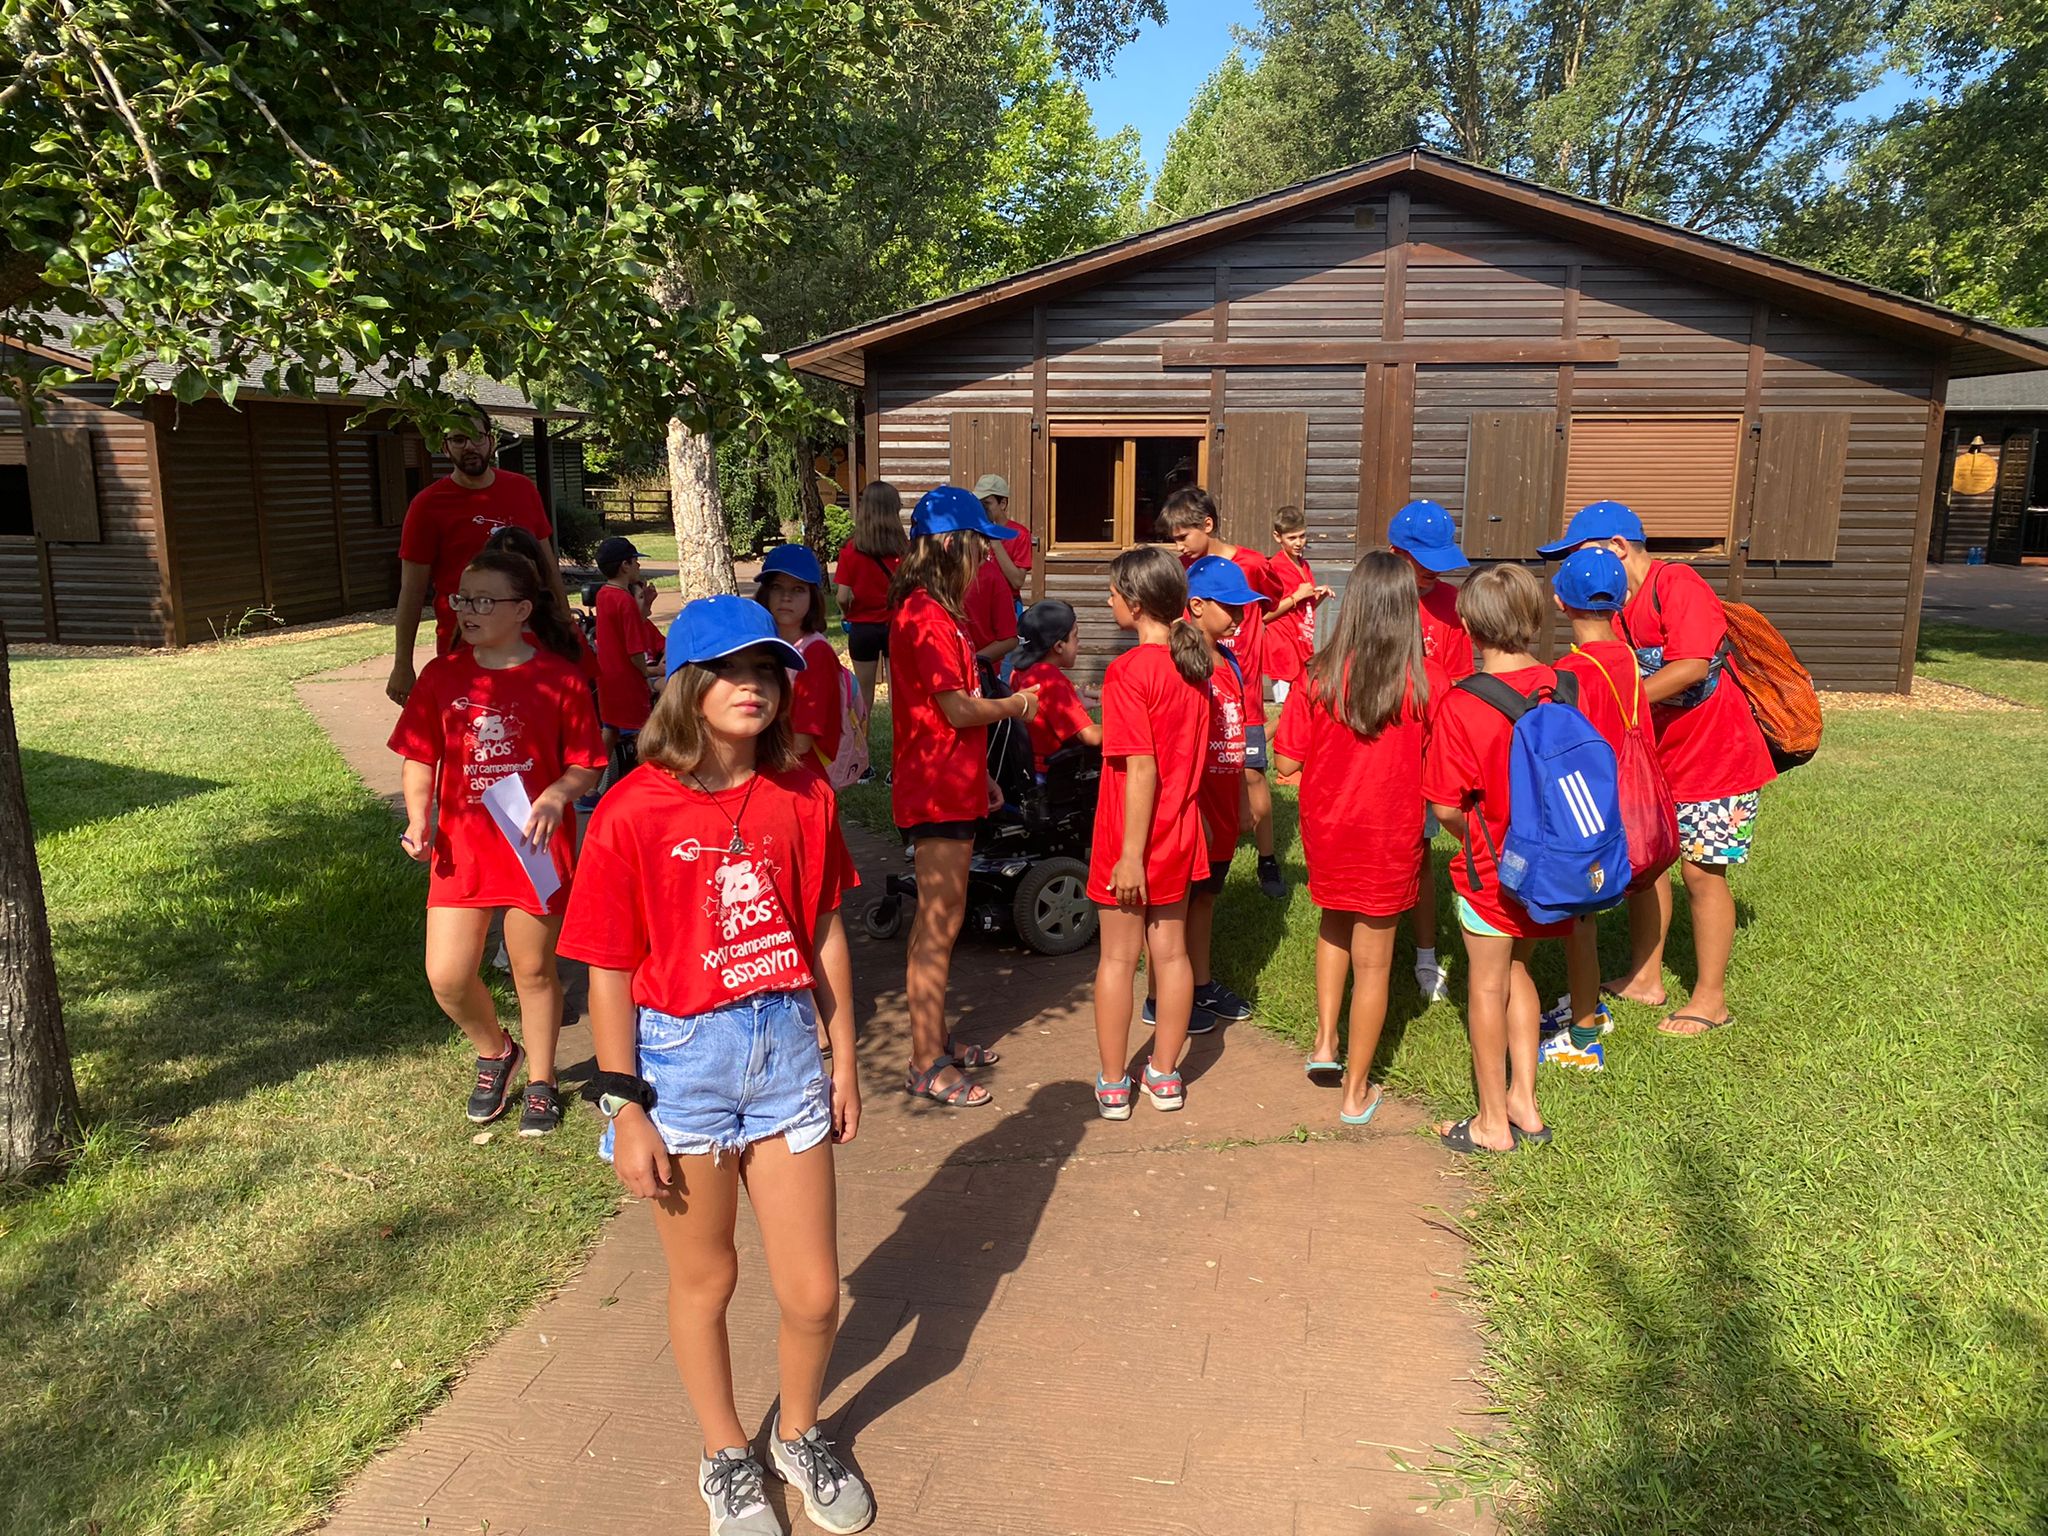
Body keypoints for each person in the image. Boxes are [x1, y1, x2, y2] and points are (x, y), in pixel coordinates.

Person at [556, 595, 873, 1536]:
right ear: (688, 687)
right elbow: (608, 969)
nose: (754, 688)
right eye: (732, 671)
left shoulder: (803, 791)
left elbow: (822, 930)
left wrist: (845, 1054)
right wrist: (626, 1110)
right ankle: (726, 1454)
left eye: (769, 671)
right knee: (709, 1281)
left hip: (786, 1054)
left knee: (814, 1291)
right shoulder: (631, 808)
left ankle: (800, 1433)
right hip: (679, 1065)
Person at [388, 548, 606, 1135]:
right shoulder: (442, 675)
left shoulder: (558, 678)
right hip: (463, 848)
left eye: (485, 600)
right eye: (462, 598)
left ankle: (542, 1081)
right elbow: (418, 755)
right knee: (448, 976)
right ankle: (494, 1050)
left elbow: (587, 763)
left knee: (534, 970)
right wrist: (419, 817)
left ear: (523, 610)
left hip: (534, 846)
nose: (469, 610)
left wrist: (558, 794)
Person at [1538, 500, 1775, 1036]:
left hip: (1718, 758)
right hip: (1658, 758)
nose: (1580, 566)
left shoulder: (1678, 584)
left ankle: (1710, 999)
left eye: (1582, 553)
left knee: (1702, 871)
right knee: (1648, 863)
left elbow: (1692, 664)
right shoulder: (1615, 606)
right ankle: (1646, 977)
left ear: (1618, 547)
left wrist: (1625, 702)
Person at [1273, 550, 1445, 1126]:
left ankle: (1324, 1043)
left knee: (1333, 924)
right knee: (1375, 962)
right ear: (1406, 610)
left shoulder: (1317, 673)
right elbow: (1443, 767)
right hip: (1390, 832)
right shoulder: (1429, 683)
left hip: (1328, 826)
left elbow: (1287, 762)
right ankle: (1356, 1089)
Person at [888, 486, 1040, 1109]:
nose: (984, 558)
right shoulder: (925, 615)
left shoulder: (937, 611)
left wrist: (980, 776)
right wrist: (1019, 705)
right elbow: (956, 709)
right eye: (979, 545)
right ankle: (925, 1060)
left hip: (953, 781)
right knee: (939, 925)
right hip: (935, 789)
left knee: (938, 923)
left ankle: (936, 1036)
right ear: (951, 544)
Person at [1420, 564, 1567, 1155]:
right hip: (1554, 864)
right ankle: (1525, 1105)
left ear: (1467, 622)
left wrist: (1474, 836)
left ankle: (1489, 1123)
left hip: (1492, 867)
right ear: (1533, 617)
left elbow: (1444, 804)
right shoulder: (1561, 683)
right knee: (1517, 971)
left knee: (1485, 983)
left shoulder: (1462, 703)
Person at [1090, 545, 1211, 1120]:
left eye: (1113, 592)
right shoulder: (1193, 667)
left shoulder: (1128, 671)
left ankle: (1114, 1081)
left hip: (1128, 838)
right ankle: (1164, 1073)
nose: (1108, 599)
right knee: (1171, 954)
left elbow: (1143, 768)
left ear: (1135, 604)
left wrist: (1129, 855)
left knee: (1118, 960)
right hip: (1181, 830)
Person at [1533, 547, 1657, 1072]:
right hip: (1628, 801)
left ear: (1560, 602)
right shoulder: (1630, 656)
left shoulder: (1566, 673)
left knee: (1578, 920)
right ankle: (1586, 1005)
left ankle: (1584, 1036)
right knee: (1588, 915)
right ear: (1623, 600)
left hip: (1588, 810)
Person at [388, 402, 567, 704]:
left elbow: (549, 568)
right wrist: (402, 664)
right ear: (445, 448)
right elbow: (412, 591)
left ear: (491, 441)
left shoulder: (523, 490)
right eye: (458, 439)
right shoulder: (427, 506)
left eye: (476, 437)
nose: (469, 446)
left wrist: (566, 629)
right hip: (463, 645)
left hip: (530, 640)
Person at [1159, 487, 1288, 900]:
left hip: (1244, 688)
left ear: (1208, 525)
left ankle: (1268, 860)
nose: (1179, 546)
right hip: (1202, 683)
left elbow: (1272, 599)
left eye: (1183, 537)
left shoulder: (1251, 563)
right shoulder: (1182, 572)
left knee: (1251, 772)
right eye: (1175, 539)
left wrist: (1248, 633)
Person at [1168, 554, 1267, 1030]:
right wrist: (1194, 809)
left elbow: (1241, 733)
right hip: (1194, 807)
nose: (1241, 616)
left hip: (1225, 803)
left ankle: (1200, 985)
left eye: (1246, 608)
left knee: (1205, 898)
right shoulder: (1177, 661)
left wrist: (1245, 797)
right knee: (1176, 905)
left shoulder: (1229, 660)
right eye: (1232, 607)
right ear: (1197, 605)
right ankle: (1165, 996)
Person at [1387, 498, 1474, 1005]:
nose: (1433, 573)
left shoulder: (1452, 602)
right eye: (1425, 561)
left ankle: (1424, 952)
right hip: (1381, 751)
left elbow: (1460, 681)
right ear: (1398, 553)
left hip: (1429, 750)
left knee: (1420, 855)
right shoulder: (1378, 595)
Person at [755, 544, 847, 772]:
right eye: (777, 587)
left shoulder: (815, 652)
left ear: (813, 597)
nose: (786, 597)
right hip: (768, 766)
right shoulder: (758, 644)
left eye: (798, 589)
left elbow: (802, 742)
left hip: (803, 776)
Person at [832, 482, 907, 758]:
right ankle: (900, 761)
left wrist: (846, 612)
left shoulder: (852, 550)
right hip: (896, 627)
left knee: (864, 699)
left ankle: (863, 760)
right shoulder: (904, 549)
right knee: (900, 698)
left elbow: (842, 595)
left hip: (863, 628)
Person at [594, 536, 661, 787]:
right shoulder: (625, 601)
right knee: (644, 732)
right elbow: (634, 649)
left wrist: (647, 604)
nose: (638, 567)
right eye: (635, 562)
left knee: (609, 731)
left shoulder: (604, 594)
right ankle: (650, 784)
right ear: (625, 565)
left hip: (607, 677)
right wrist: (647, 671)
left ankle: (590, 788)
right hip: (627, 681)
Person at [1008, 600, 1101, 773]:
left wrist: (1078, 706)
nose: (1079, 642)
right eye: (1075, 636)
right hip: (1050, 776)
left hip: (1025, 769)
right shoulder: (1050, 678)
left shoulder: (1020, 671)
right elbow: (1091, 736)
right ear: (1059, 646)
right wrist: (1125, 727)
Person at [1263, 505, 1331, 705]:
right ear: (1278, 537)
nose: (1299, 542)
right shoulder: (1274, 567)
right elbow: (1265, 615)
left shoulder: (1304, 565)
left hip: (1302, 643)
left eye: (1302, 536)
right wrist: (1297, 596)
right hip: (1283, 645)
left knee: (1302, 703)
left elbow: (1304, 609)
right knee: (1285, 705)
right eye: (1291, 538)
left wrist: (1320, 596)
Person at [973, 473, 1033, 597]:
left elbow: (1017, 582)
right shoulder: (972, 531)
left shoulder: (1019, 534)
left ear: (1003, 503)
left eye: (986, 504)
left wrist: (995, 541)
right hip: (979, 601)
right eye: (978, 503)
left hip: (1008, 602)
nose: (982, 509)